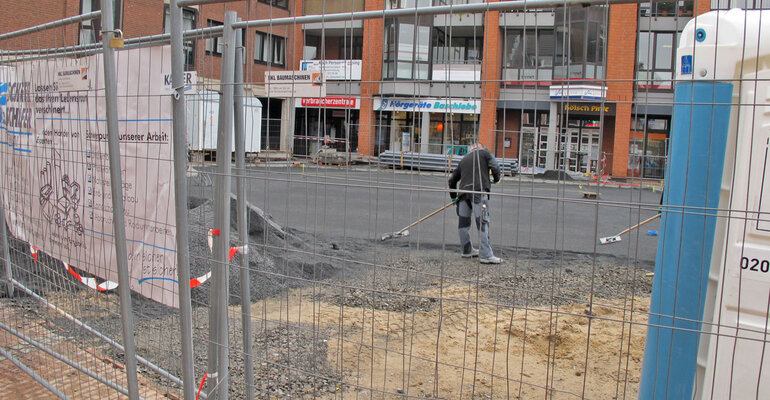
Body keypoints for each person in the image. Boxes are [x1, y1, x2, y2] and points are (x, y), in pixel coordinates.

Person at [448, 142, 502, 264]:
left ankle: (466, 250)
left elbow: (451, 180)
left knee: (463, 224)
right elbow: (495, 167)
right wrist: (496, 178)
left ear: (471, 149)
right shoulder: (485, 153)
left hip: (463, 195)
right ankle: (486, 255)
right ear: (480, 147)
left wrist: (453, 197)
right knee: (483, 222)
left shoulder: (464, 159)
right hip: (478, 192)